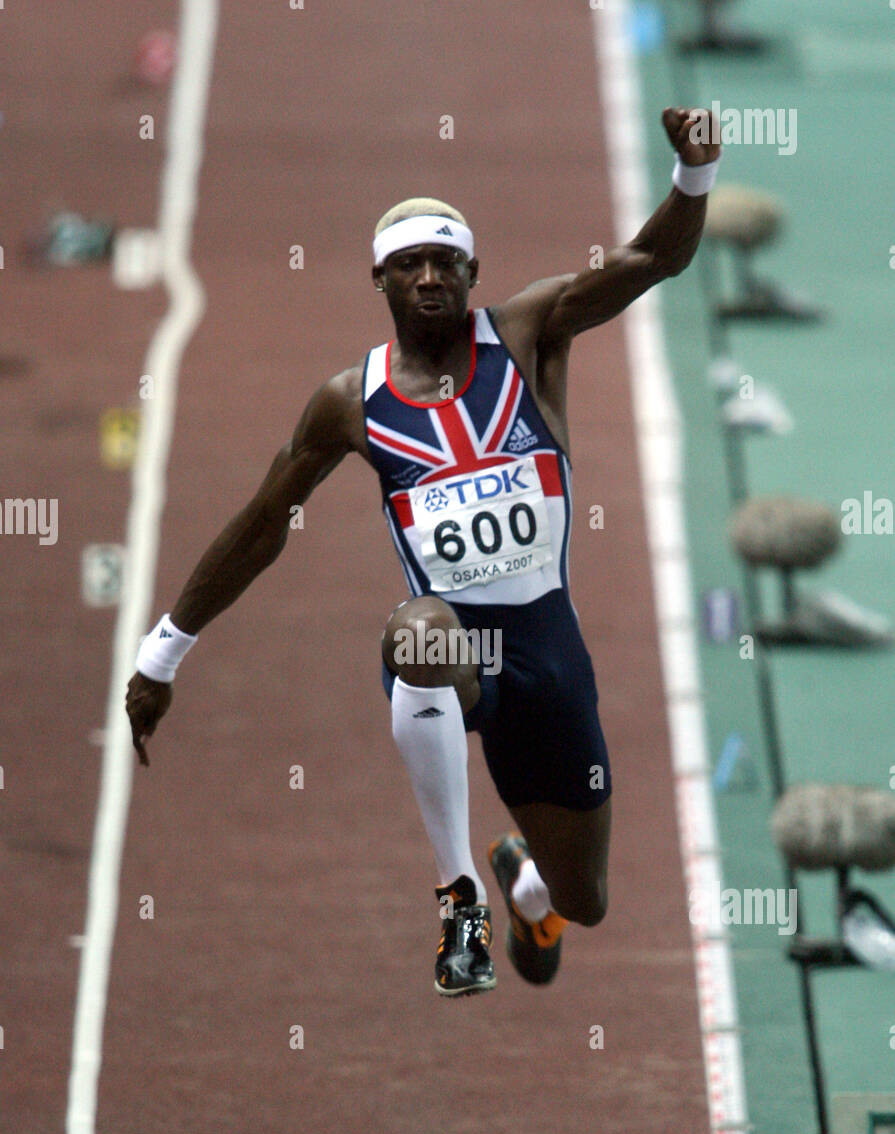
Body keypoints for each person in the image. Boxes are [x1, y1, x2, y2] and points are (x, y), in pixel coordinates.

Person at [126, 107, 721, 999]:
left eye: (447, 261)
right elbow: (261, 524)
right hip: (461, 647)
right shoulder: (349, 403)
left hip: (549, 656)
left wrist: (694, 175)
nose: (431, 277)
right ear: (381, 279)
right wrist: (163, 652)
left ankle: (528, 896)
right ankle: (460, 900)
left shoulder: (528, 332)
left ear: (474, 272)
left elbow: (655, 260)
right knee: (418, 632)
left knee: (586, 901)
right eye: (411, 264)